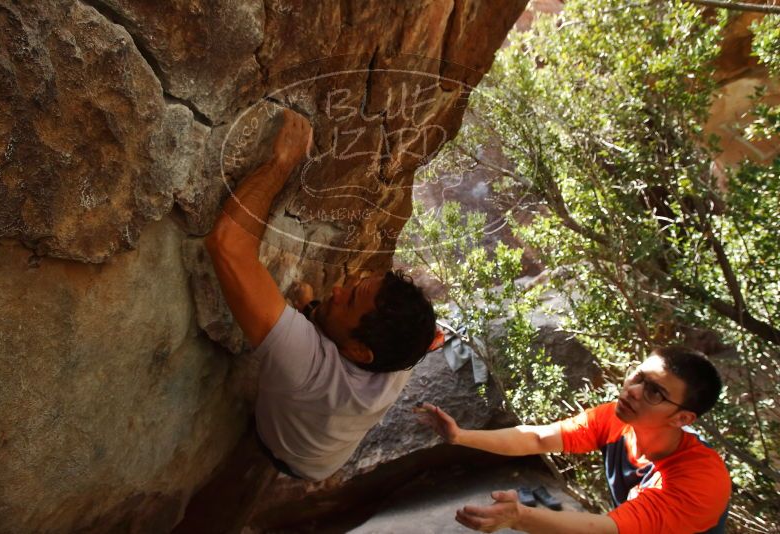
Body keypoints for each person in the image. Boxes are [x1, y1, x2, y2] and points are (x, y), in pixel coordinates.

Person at [205, 108, 436, 481]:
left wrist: (281, 166)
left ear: (359, 352)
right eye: (354, 287)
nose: (340, 289)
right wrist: (313, 308)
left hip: (289, 454)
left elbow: (227, 246)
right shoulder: (399, 359)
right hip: (329, 454)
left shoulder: (307, 367)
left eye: (350, 300)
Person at [416, 346, 730, 533]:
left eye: (654, 391)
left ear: (682, 418)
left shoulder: (700, 480)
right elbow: (538, 438)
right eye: (638, 377)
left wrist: (519, 516)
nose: (632, 391)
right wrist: (460, 436)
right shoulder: (616, 420)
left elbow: (609, 529)